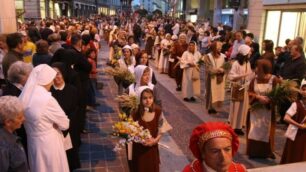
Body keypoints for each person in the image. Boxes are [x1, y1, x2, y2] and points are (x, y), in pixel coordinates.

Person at [19, 64, 70, 172]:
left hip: (33, 142)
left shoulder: (24, 96)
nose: (52, 83)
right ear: (46, 80)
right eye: (51, 79)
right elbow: (65, 124)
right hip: (49, 143)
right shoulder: (47, 99)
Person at [129, 87, 172, 172]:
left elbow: (161, 129)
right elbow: (130, 130)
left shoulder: (157, 111)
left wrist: (155, 140)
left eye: (150, 98)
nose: (148, 100)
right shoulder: (135, 112)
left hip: (152, 149)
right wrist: (140, 140)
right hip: (139, 149)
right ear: (140, 99)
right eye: (145, 98)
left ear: (153, 98)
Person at [247, 59, 280, 159]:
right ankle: (253, 152)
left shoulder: (274, 79)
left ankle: (268, 152)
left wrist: (269, 100)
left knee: (267, 131)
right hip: (255, 111)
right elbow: (250, 92)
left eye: (258, 67)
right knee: (254, 130)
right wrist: (258, 97)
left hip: (268, 110)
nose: (256, 69)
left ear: (263, 68)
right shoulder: (254, 79)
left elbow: (278, 95)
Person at [51, 62, 81, 171]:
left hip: (69, 129)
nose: (56, 77)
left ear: (63, 74)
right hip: (53, 130)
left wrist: (66, 125)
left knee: (69, 158)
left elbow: (75, 110)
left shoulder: (72, 90)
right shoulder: (48, 91)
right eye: (53, 74)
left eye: (58, 74)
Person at [228, 45, 254, 135]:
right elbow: (231, 76)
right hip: (237, 88)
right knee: (236, 108)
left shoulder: (248, 63)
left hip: (245, 88)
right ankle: (233, 126)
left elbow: (249, 75)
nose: (250, 53)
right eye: (249, 51)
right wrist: (242, 76)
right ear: (245, 53)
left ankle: (239, 126)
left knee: (243, 108)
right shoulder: (236, 64)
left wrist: (251, 79)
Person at [0, 96, 28, 172]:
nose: (24, 119)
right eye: (19, 117)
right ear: (8, 122)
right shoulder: (3, 146)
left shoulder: (11, 133)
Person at [280, 81, 306, 164]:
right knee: (294, 155)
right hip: (295, 134)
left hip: (304, 135)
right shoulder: (296, 104)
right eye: (304, 89)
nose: (305, 91)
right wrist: (299, 125)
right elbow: (286, 118)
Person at [204, 41, 226, 114]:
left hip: (220, 77)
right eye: (218, 47)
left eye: (221, 47)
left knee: (218, 92)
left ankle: (215, 107)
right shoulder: (208, 56)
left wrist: (223, 70)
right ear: (214, 47)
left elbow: (226, 66)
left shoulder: (223, 56)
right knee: (211, 92)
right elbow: (208, 67)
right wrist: (217, 70)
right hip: (211, 77)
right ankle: (210, 107)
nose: (220, 48)